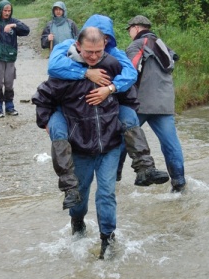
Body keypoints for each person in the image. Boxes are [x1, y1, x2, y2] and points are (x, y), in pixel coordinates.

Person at [33, 27, 140, 259]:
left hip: (110, 145)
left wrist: (111, 93)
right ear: (78, 46)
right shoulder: (65, 73)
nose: (93, 56)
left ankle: (107, 240)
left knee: (106, 193)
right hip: (80, 145)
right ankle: (77, 223)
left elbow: (130, 97)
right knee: (79, 196)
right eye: (89, 52)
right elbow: (43, 98)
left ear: (105, 46)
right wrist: (47, 123)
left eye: (98, 51)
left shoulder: (111, 66)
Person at [46, 14, 168, 210]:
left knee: (130, 117)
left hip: (106, 107)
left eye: (106, 38)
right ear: (82, 40)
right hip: (72, 110)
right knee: (59, 135)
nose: (96, 51)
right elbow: (53, 66)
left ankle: (145, 168)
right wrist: (86, 72)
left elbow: (130, 74)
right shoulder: (68, 46)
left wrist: (109, 88)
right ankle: (70, 190)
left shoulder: (113, 53)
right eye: (92, 45)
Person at [121, 15, 186, 192]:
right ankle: (179, 183)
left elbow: (130, 70)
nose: (129, 33)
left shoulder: (137, 44)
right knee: (171, 144)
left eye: (129, 30)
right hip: (165, 103)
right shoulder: (162, 44)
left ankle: (114, 179)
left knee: (122, 138)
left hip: (140, 102)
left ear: (136, 28)